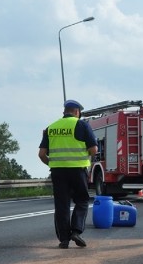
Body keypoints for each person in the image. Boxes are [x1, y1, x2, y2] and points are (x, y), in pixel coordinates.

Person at [38, 99, 98, 249]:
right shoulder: (82, 125)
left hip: (58, 171)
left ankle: (64, 239)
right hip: (77, 170)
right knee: (82, 200)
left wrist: (52, 163)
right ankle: (76, 231)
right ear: (77, 112)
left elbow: (42, 154)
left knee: (62, 205)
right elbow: (94, 150)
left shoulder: (51, 128)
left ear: (64, 111)